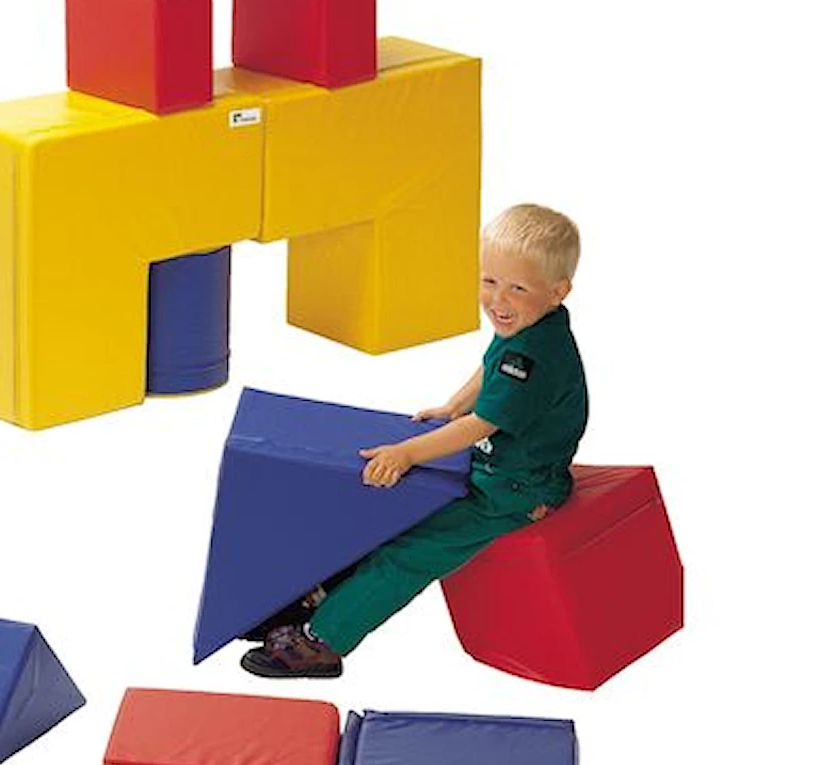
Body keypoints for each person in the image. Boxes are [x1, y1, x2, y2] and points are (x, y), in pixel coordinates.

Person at [243, 204, 589, 679]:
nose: (498, 299)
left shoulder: (535, 356)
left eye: (517, 288)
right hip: (495, 470)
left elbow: (481, 425)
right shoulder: (528, 327)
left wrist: (407, 452)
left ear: (557, 291)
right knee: (381, 514)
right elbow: (490, 369)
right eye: (489, 281)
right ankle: (319, 595)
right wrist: (453, 405)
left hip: (515, 492)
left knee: (410, 554)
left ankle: (323, 641)